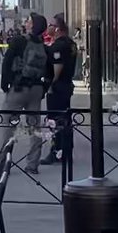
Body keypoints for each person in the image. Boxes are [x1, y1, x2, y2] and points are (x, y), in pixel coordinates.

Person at [0, 12, 51, 175]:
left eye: (28, 21)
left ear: (32, 25)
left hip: (18, 88)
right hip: (36, 89)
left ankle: (4, 164)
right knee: (34, 127)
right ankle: (32, 164)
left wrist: (5, 84)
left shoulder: (18, 41)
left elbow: (7, 62)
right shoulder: (44, 46)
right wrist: (43, 88)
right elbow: (50, 72)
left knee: (9, 126)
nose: (26, 22)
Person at [40, 13, 77, 165]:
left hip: (58, 87)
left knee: (55, 121)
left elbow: (57, 68)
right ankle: (65, 152)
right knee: (64, 120)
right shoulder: (70, 43)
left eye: (51, 25)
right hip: (66, 85)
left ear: (58, 29)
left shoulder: (59, 46)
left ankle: (57, 152)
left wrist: (50, 85)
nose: (48, 27)